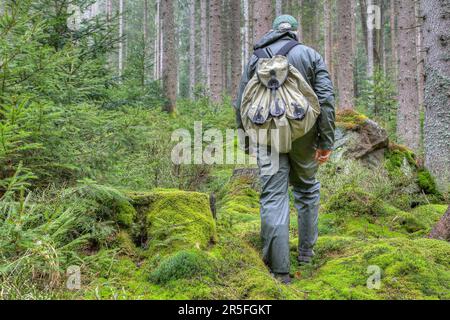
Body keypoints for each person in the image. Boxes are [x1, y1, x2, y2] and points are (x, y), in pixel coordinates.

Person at [235, 15, 335, 284]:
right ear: (294, 33)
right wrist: (326, 141)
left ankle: (280, 271)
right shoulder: (310, 55)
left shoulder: (256, 58)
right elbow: (325, 100)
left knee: (273, 197)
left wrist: (246, 141)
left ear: (273, 31)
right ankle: (306, 254)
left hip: (266, 133)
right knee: (306, 188)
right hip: (304, 132)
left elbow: (240, 104)